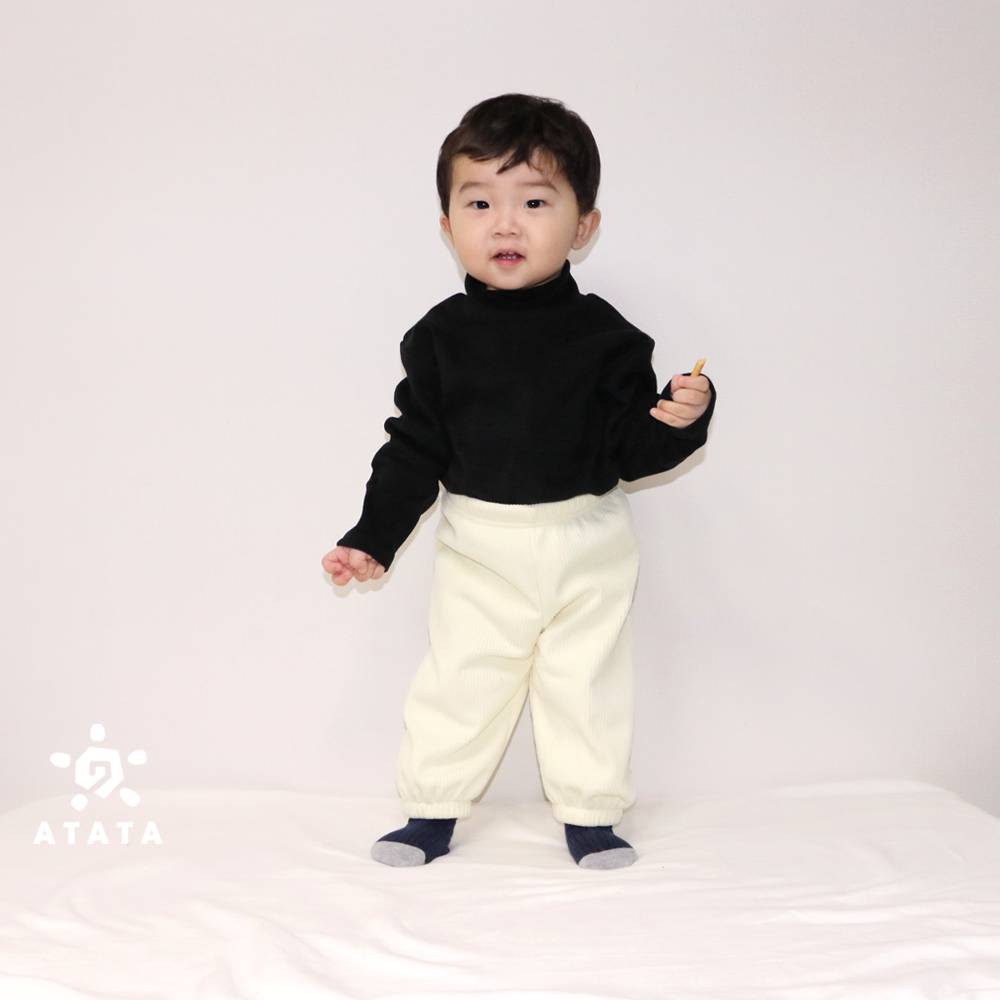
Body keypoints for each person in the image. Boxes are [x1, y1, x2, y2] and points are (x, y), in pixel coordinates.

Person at [322, 94, 715, 869]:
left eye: (534, 202)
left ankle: (591, 816)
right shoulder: (438, 339)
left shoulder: (608, 339)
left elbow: (631, 453)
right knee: (462, 678)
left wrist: (680, 421)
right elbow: (411, 450)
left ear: (583, 226)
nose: (505, 225)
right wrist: (372, 538)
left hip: (588, 542)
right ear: (448, 227)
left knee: (587, 682)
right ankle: (431, 812)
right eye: (479, 204)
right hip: (481, 545)